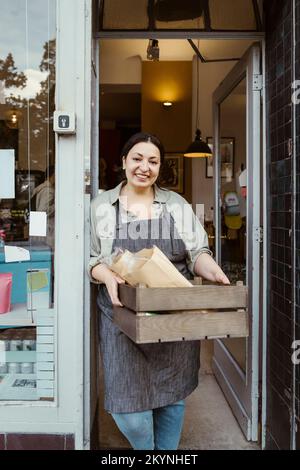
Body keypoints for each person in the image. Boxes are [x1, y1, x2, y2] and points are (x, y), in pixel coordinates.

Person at [88, 133, 230, 450]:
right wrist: (105, 275)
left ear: (159, 167)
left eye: (153, 161)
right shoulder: (102, 206)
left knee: (171, 398)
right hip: (121, 318)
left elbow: (198, 254)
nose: (144, 167)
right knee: (130, 412)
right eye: (137, 158)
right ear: (123, 161)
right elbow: (91, 258)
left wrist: (214, 271)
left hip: (171, 315)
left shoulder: (176, 205)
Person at [31, 165, 55, 250]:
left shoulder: (41, 188)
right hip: (45, 229)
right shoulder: (48, 191)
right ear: (53, 175)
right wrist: (58, 205)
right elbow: (43, 211)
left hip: (39, 227)